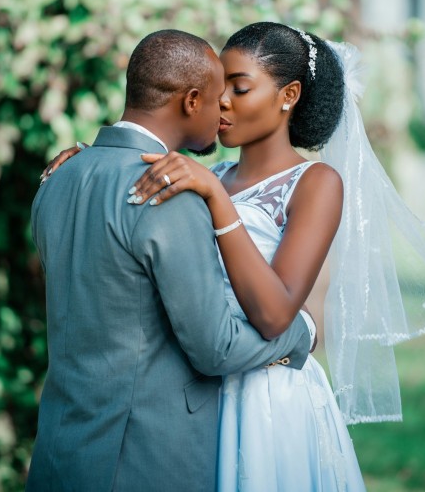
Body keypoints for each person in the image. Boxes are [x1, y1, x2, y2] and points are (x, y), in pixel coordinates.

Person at [45, 23, 425, 491]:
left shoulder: (315, 183)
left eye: (238, 87)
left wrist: (217, 200)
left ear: (288, 95)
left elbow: (276, 314)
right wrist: (101, 164)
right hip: (197, 397)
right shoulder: (206, 172)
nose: (223, 102)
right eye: (219, 88)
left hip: (268, 397)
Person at [26, 29, 313, 492]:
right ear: (191, 101)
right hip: (144, 458)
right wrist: (301, 333)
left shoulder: (59, 175)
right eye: (220, 96)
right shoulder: (167, 193)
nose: (223, 109)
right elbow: (215, 347)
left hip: (61, 449)